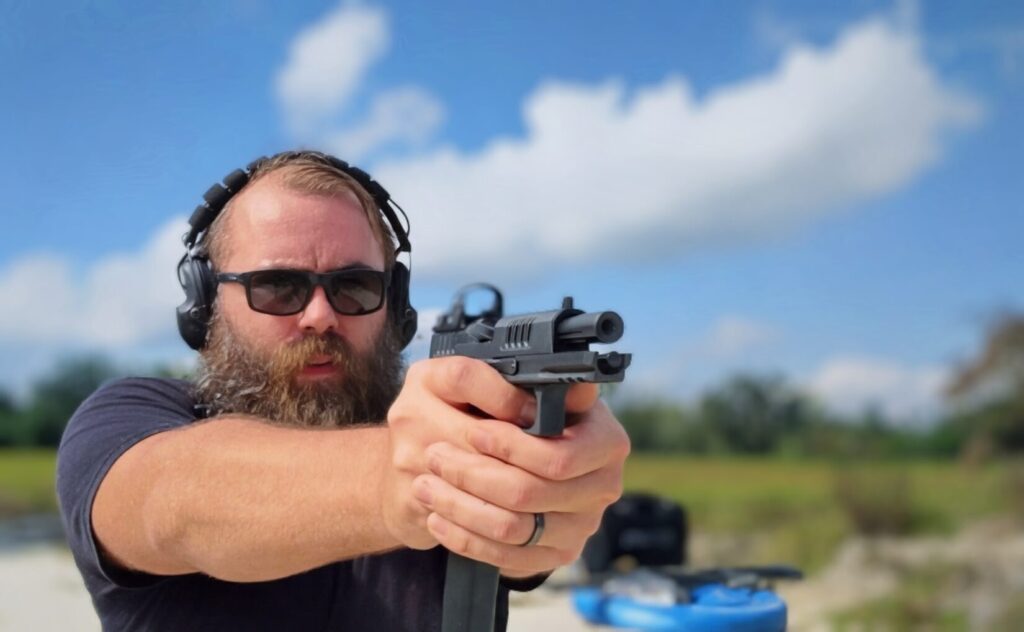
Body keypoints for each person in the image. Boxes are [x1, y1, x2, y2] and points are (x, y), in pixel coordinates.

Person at [56, 150, 630, 631]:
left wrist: (550, 470)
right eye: (277, 287)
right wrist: (415, 479)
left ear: (397, 307)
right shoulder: (125, 419)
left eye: (354, 286)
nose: (321, 316)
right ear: (204, 307)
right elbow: (173, 504)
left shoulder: (455, 424)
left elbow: (526, 544)